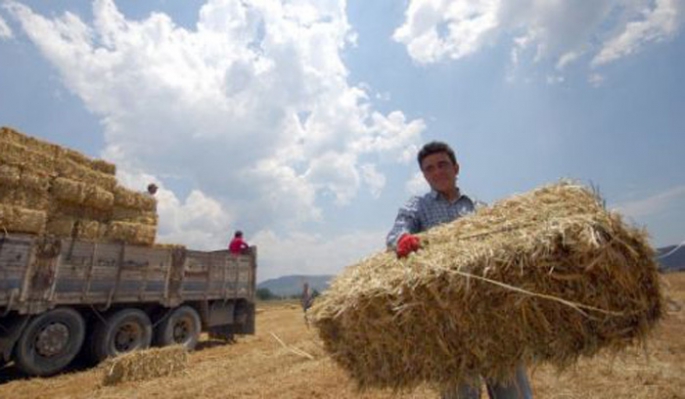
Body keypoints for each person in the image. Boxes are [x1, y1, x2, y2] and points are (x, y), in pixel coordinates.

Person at [386, 141, 533, 399]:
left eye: (442, 164)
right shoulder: (418, 206)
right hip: (448, 316)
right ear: (424, 175)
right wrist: (402, 241)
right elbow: (398, 231)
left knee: (512, 390)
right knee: (461, 393)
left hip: (492, 311)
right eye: (429, 168)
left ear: (456, 168)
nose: (437, 172)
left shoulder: (478, 208)